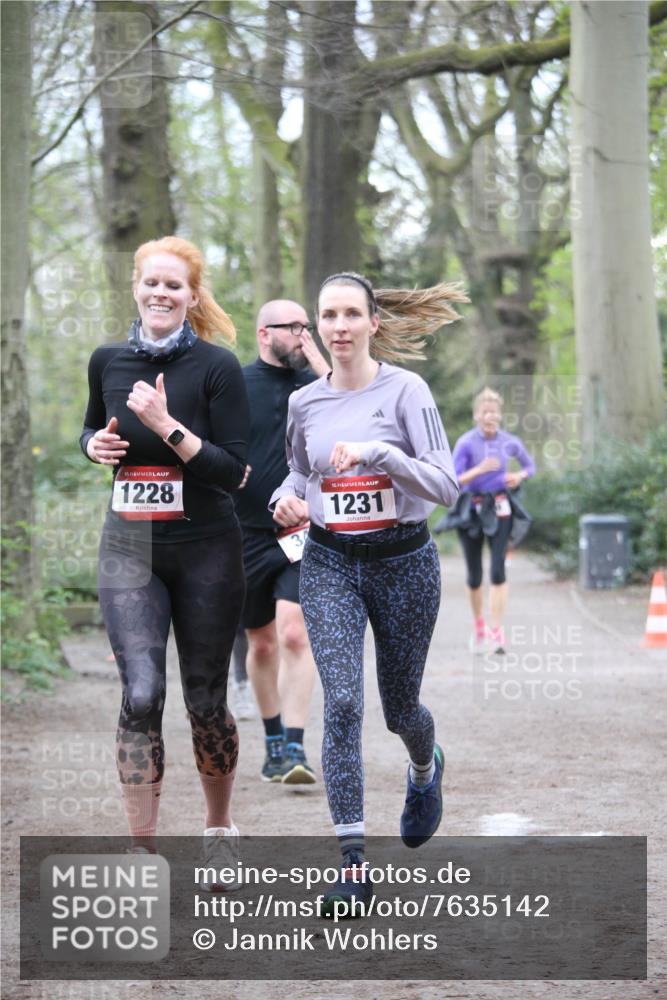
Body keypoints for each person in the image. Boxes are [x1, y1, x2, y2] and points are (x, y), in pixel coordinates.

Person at [271, 271, 466, 916]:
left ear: (373, 322)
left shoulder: (406, 391)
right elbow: (299, 470)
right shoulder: (306, 403)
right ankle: (353, 865)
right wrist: (285, 500)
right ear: (316, 328)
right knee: (345, 703)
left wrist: (382, 454)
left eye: (352, 314)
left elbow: (446, 486)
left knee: (398, 707)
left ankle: (423, 767)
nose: (340, 327)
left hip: (404, 562)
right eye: (329, 316)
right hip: (330, 563)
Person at [80, 236, 249, 873]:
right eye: (151, 282)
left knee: (205, 699)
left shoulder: (217, 367)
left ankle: (219, 828)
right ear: (135, 287)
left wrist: (168, 425)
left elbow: (234, 472)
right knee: (142, 692)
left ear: (192, 296)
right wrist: (93, 446)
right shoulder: (106, 360)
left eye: (174, 285)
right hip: (130, 545)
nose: (161, 293)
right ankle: (142, 849)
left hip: (207, 547)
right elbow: (91, 428)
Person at [234, 300, 329, 783]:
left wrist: (318, 363)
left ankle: (295, 747)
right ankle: (272, 738)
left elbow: (354, 407)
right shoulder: (234, 384)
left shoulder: (319, 387)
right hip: (244, 533)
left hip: (301, 532)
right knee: (262, 642)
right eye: (292, 328)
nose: (301, 334)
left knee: (294, 632)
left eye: (305, 326)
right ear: (262, 333)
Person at [449, 387, 535, 654]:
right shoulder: (465, 443)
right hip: (472, 510)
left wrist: (519, 476)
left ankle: (496, 632)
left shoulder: (509, 441)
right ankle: (479, 628)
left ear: (499, 416)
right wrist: (480, 469)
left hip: (500, 507)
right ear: (476, 415)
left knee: (498, 572)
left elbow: (530, 466)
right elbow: (452, 479)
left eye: (494, 413)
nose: (489, 417)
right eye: (485, 412)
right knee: (475, 575)